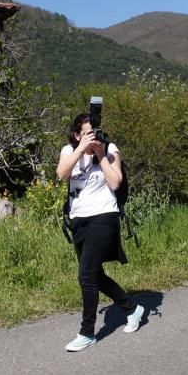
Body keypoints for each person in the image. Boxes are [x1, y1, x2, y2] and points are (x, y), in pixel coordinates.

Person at [56, 114, 144, 352]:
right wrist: (81, 150)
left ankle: (87, 332)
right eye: (87, 133)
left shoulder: (110, 148)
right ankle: (132, 308)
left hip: (104, 216)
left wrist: (100, 154)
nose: (93, 137)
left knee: (85, 275)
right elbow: (61, 174)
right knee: (94, 274)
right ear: (77, 135)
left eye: (95, 132)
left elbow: (115, 183)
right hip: (78, 219)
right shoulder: (68, 150)